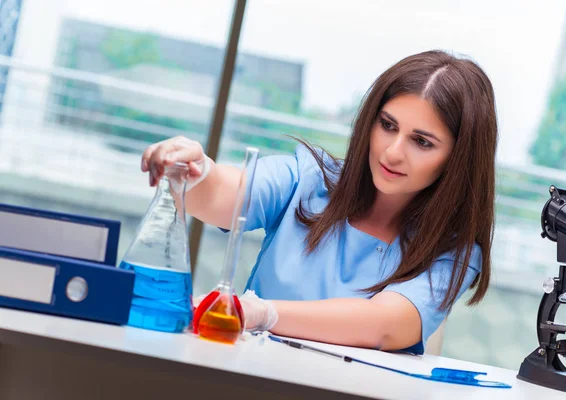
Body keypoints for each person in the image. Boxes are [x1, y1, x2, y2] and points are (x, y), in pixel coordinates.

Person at [141, 50, 498, 354]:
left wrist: (261, 313)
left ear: (458, 159)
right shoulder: (310, 178)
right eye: (387, 125)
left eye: (421, 142)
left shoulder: (451, 252)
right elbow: (225, 196)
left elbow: (386, 324)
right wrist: (196, 172)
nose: (392, 152)